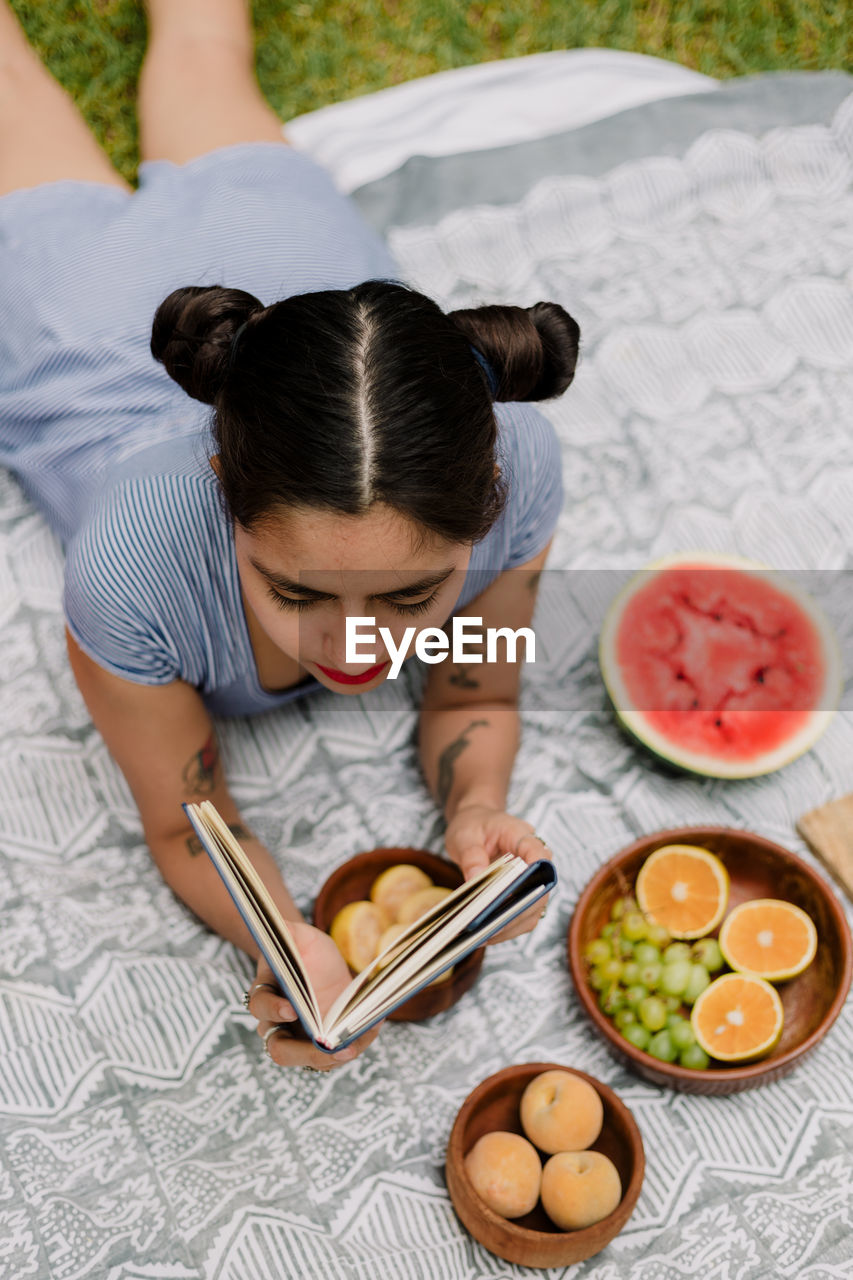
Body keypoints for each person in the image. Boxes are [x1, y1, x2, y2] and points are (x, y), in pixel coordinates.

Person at [0, 0, 580, 1071]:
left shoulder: (525, 469)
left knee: (205, 38)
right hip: (75, 314)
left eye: (411, 598)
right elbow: (186, 818)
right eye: (296, 590)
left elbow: (478, 682)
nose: (356, 648)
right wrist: (268, 933)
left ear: (490, 497)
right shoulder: (128, 570)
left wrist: (479, 803)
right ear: (221, 486)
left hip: (284, 246)